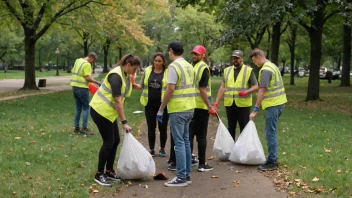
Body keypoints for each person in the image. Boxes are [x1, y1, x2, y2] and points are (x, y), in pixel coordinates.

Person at [89, 54, 141, 186]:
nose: (135, 72)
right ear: (128, 65)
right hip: (100, 111)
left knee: (115, 140)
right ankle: (99, 174)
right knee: (109, 141)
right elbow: (118, 100)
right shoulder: (116, 76)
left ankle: (109, 170)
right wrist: (124, 122)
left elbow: (124, 94)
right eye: (134, 69)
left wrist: (132, 80)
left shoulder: (124, 74)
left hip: (108, 113)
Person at [157, 41, 196, 187]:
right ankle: (186, 174)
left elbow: (170, 89)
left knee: (179, 143)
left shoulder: (174, 66)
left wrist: (161, 108)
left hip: (178, 109)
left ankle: (181, 177)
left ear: (170, 51)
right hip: (190, 108)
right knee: (185, 141)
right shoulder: (188, 65)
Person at [249, 48, 287, 171]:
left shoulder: (265, 70)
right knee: (271, 131)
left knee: (270, 133)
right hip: (280, 103)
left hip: (273, 104)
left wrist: (255, 109)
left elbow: (262, 90)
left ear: (259, 57)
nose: (255, 63)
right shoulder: (272, 66)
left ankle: (272, 161)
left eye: (254, 61)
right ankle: (272, 157)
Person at [214, 50, 258, 141]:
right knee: (231, 128)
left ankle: (243, 151)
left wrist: (246, 92)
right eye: (233, 58)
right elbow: (222, 87)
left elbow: (256, 86)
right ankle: (231, 149)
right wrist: (216, 101)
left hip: (243, 105)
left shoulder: (248, 70)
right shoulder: (227, 70)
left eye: (237, 58)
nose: (235, 60)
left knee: (244, 129)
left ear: (242, 58)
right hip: (230, 104)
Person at [133, 52, 169, 157]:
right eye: (155, 61)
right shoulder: (148, 70)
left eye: (159, 61)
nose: (157, 63)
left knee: (162, 127)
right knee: (151, 127)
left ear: (163, 62)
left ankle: (162, 148)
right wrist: (135, 85)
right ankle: (152, 149)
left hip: (163, 105)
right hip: (149, 104)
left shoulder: (167, 72)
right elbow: (141, 85)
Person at [189, 45, 216, 172]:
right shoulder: (204, 68)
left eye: (197, 54)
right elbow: (202, 89)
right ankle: (202, 163)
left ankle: (188, 161)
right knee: (201, 135)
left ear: (203, 55)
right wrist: (209, 106)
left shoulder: (192, 66)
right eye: (193, 54)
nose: (194, 56)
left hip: (190, 105)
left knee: (189, 135)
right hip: (200, 106)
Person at [70, 52, 101, 135]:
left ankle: (76, 128)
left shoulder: (78, 61)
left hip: (74, 87)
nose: (93, 62)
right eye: (93, 60)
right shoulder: (87, 64)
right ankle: (84, 128)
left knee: (78, 108)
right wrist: (97, 82)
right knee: (86, 108)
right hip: (82, 88)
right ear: (91, 57)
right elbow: (87, 77)